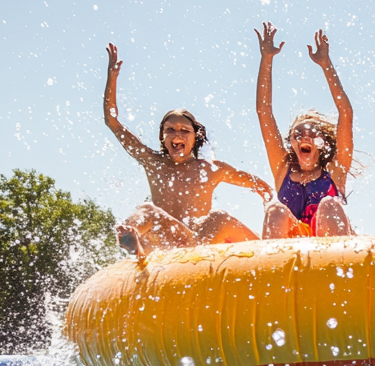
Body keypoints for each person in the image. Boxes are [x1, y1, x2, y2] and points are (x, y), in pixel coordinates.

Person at [102, 43, 273, 258]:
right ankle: (132, 240)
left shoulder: (211, 169)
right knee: (146, 210)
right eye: (170, 130)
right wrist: (113, 77)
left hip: (200, 242)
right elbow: (112, 121)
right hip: (167, 242)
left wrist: (270, 202)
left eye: (185, 130)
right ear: (163, 137)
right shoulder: (153, 162)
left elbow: (261, 187)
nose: (177, 135)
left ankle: (269, 254)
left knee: (219, 217)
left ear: (196, 137)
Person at [255, 24, 354, 237]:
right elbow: (263, 110)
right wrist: (267, 58)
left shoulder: (335, 172)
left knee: (329, 205)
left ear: (323, 143)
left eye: (312, 133)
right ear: (291, 143)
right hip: (294, 246)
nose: (304, 137)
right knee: (275, 210)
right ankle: (273, 268)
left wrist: (325, 64)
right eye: (298, 134)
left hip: (331, 246)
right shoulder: (283, 169)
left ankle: (338, 263)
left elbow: (345, 113)